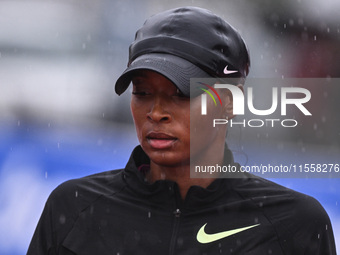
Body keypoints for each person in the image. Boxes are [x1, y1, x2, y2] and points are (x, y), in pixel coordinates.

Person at [27, 6, 336, 254]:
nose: (156, 113)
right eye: (143, 92)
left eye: (181, 94)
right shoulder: (73, 207)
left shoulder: (295, 223)